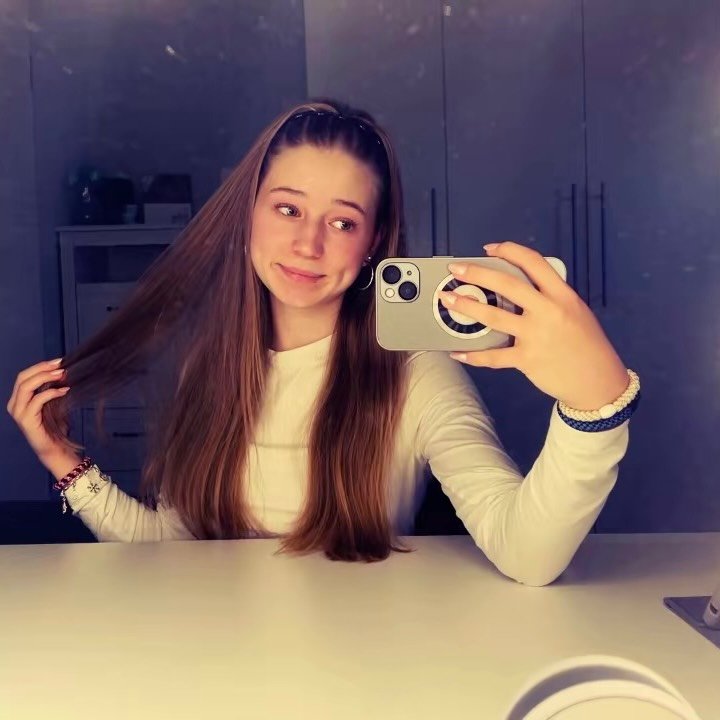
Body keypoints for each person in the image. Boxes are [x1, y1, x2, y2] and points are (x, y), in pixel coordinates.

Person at [6, 99, 640, 584]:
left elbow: (527, 554)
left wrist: (595, 406)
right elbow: (170, 556)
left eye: (342, 222)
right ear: (249, 216)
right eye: (287, 209)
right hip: (214, 669)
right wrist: (63, 461)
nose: (308, 244)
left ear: (373, 243)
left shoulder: (414, 375)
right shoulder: (209, 365)